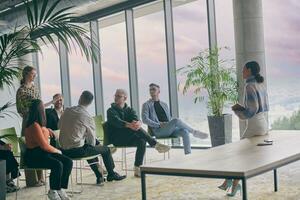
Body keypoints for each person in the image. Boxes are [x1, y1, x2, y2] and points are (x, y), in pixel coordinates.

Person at [218, 61, 269, 197]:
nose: (242, 72)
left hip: (254, 125)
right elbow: (263, 107)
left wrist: (237, 110)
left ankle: (230, 182)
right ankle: (232, 184)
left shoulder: (249, 86)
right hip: (263, 123)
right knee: (242, 155)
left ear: (249, 71)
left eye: (243, 70)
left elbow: (251, 111)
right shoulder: (260, 84)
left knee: (239, 155)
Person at [59, 91, 126, 185]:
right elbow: (91, 141)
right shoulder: (87, 116)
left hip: (63, 150)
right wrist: (95, 146)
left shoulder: (67, 110)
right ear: (90, 103)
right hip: (76, 151)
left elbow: (59, 126)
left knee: (87, 147)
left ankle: (99, 176)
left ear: (80, 98)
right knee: (105, 150)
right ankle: (111, 174)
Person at [107, 89, 171, 177]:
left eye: (119, 96)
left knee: (142, 140)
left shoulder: (129, 110)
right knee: (135, 129)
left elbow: (136, 119)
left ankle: (137, 168)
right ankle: (155, 144)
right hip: (116, 139)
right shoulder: (110, 111)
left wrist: (138, 123)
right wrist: (130, 125)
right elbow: (117, 121)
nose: (116, 98)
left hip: (128, 138)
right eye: (115, 96)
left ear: (125, 98)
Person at [16, 66, 59, 187]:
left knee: (40, 146)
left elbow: (39, 105)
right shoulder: (21, 90)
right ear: (26, 74)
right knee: (29, 148)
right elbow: (20, 109)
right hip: (28, 122)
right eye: (33, 74)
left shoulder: (35, 88)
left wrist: (51, 102)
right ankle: (31, 181)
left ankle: (41, 178)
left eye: (35, 74)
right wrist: (30, 115)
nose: (35, 76)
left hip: (38, 120)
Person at [24, 99, 72, 200]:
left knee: (68, 161)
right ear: (40, 110)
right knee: (57, 164)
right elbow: (45, 146)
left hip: (42, 154)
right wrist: (57, 151)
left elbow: (44, 145)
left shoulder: (38, 125)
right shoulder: (34, 126)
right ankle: (53, 191)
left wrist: (45, 129)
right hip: (33, 156)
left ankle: (60, 188)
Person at [142, 83, 208, 155]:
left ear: (159, 91)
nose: (151, 91)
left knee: (185, 132)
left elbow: (169, 118)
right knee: (176, 120)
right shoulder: (146, 105)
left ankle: (188, 155)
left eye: (153, 89)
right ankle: (194, 132)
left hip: (168, 129)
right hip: (159, 131)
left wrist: (172, 125)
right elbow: (145, 119)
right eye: (150, 90)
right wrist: (158, 124)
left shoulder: (164, 104)